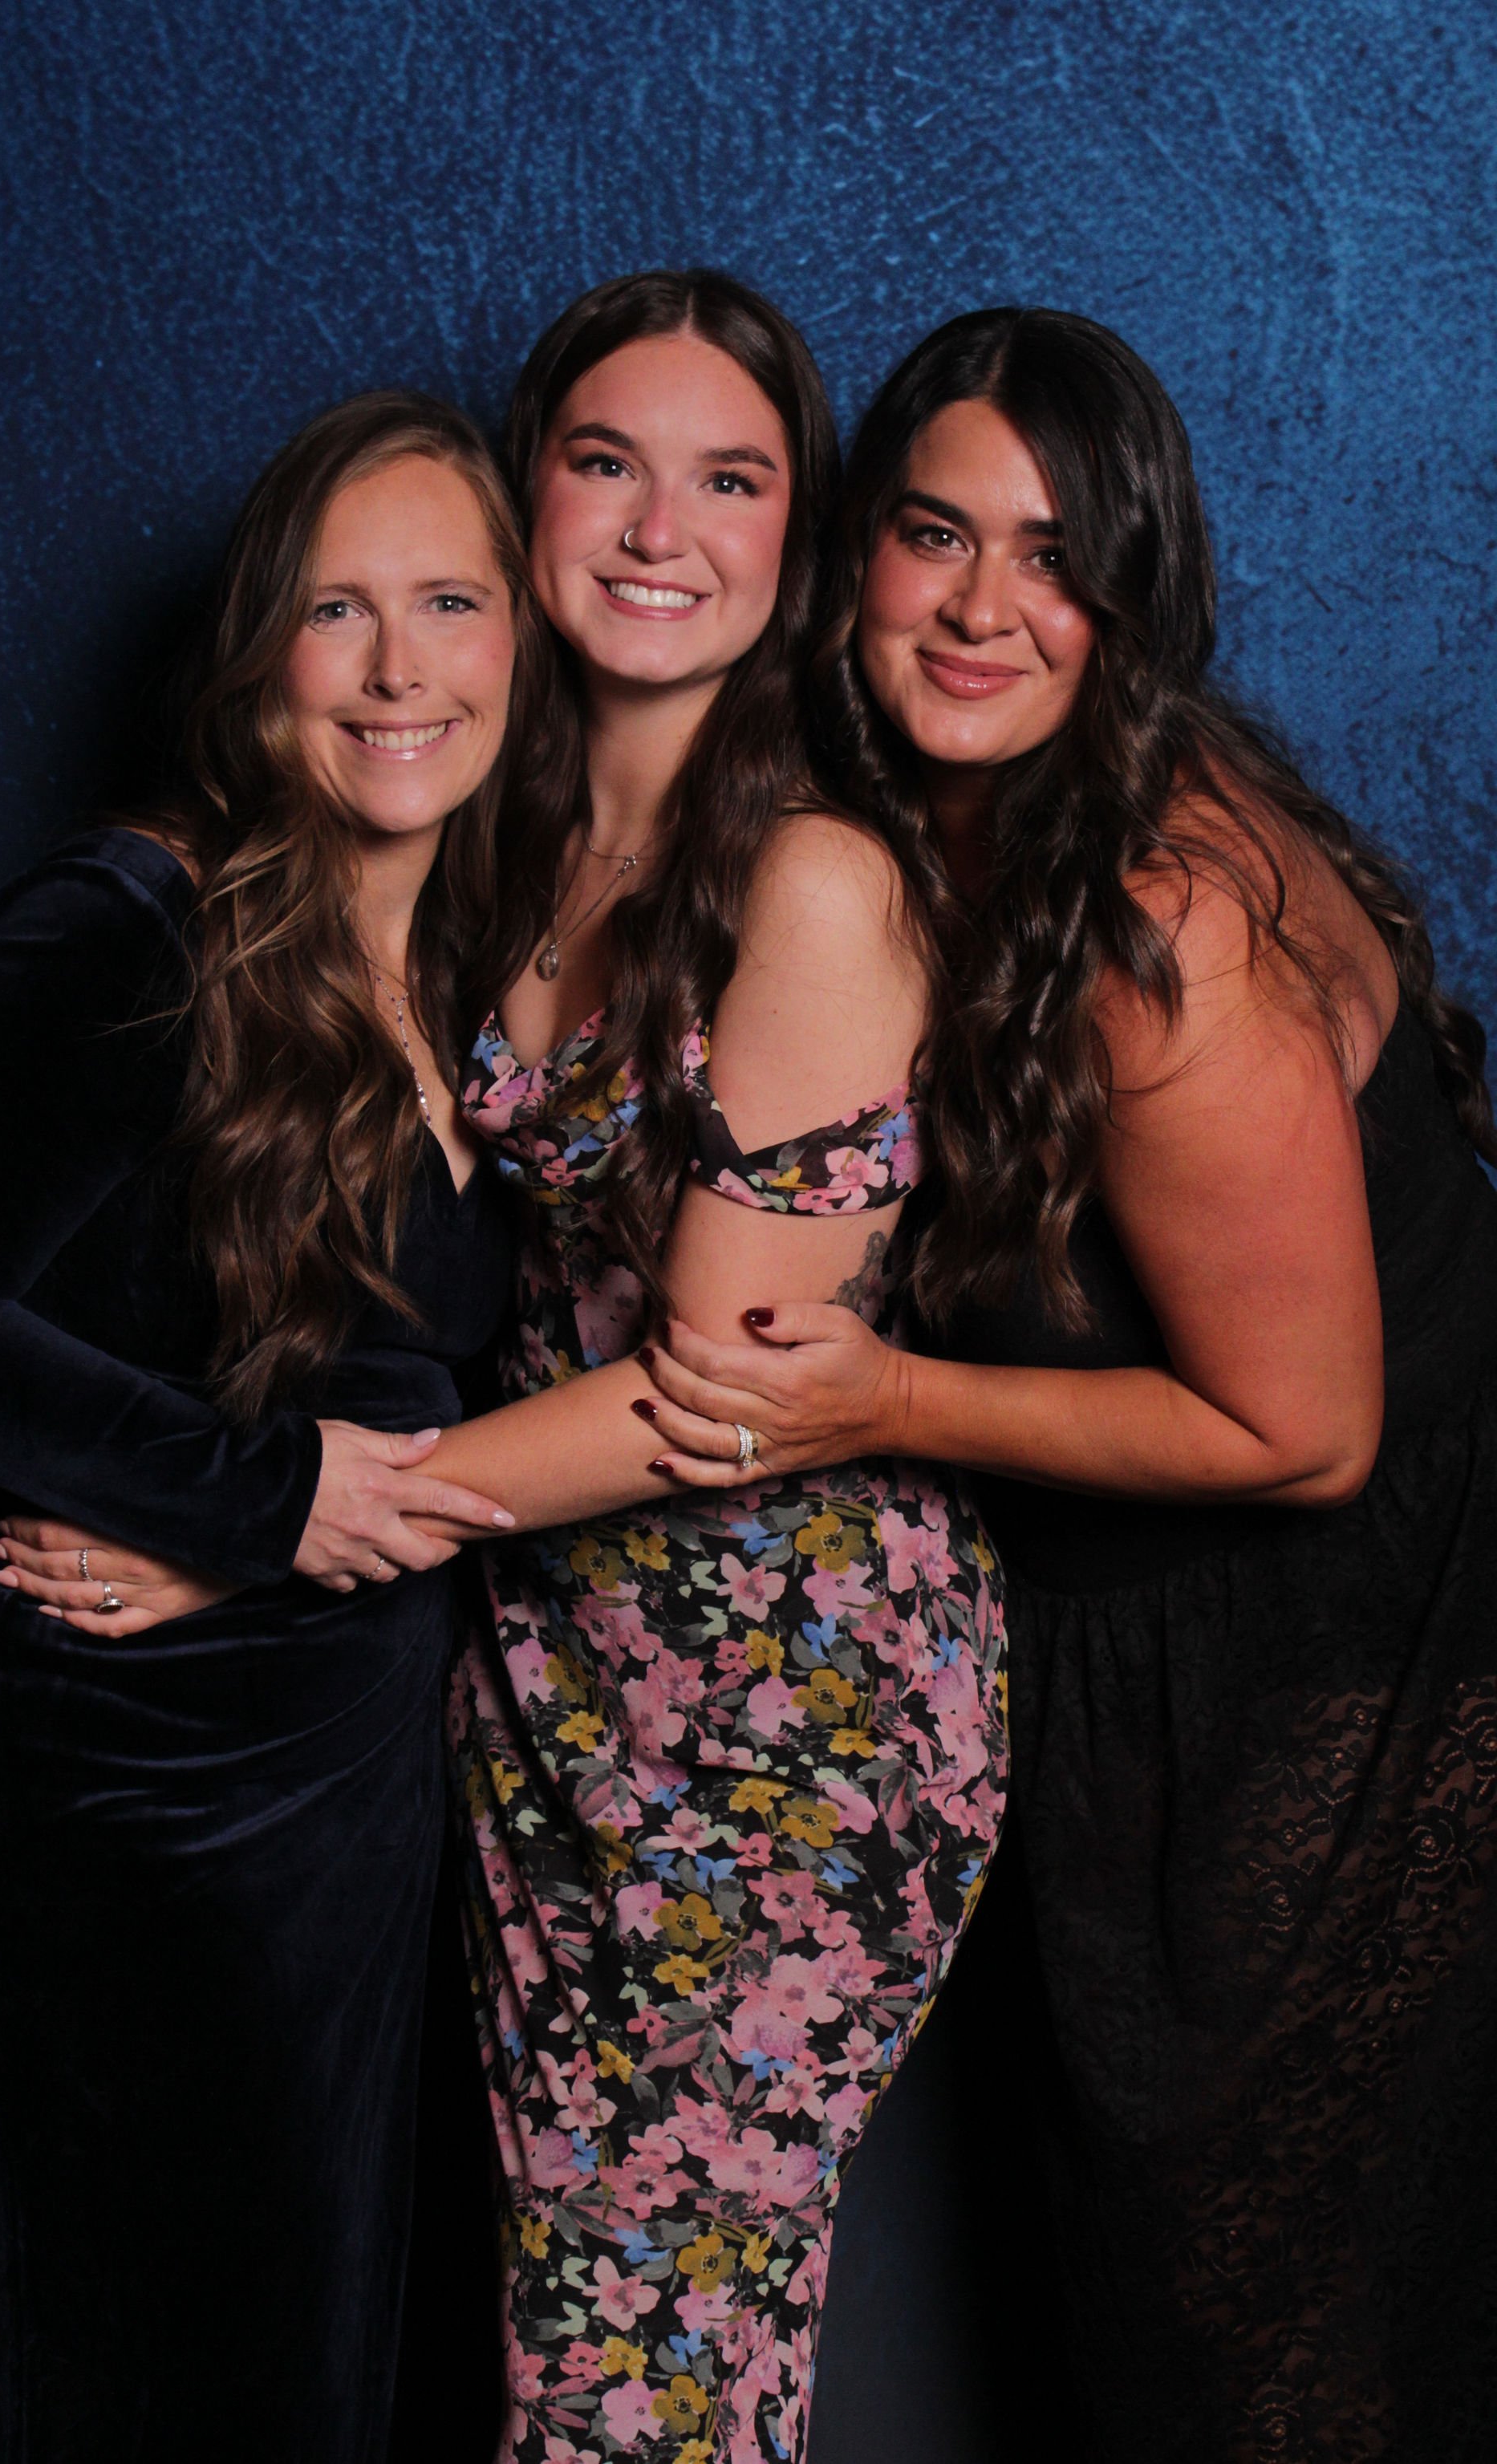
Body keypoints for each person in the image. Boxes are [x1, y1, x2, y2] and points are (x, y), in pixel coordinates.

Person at [0, 271, 1009, 2464]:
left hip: (771, 1705)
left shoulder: (813, 881)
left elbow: (707, 1395)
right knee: (547, 2354)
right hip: (531, 1666)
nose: (661, 530)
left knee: (647, 2386)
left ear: (800, 540)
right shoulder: (498, 837)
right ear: (524, 488)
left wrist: (253, 1526)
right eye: (606, 464)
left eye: (731, 479)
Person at [636, 306, 1497, 2462]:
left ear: (1136, 591)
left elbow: (1305, 1431)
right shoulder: (979, 818)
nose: (982, 608)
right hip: (1196, 1655)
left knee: (1265, 2339)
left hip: (1343, 1662)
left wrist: (885, 1402)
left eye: (1054, 557)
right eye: (937, 534)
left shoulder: (1157, 917)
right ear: (862, 552)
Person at [0, 391, 542, 2462]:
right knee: (105, 2365)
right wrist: (246, 1497)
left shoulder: (478, 965)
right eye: (338, 611)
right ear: (259, 656)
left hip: (315, 1789)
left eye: (450, 603)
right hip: (94, 1778)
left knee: (299, 2369)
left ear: (522, 640)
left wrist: (265, 1538)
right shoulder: (136, 918)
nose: (400, 669)